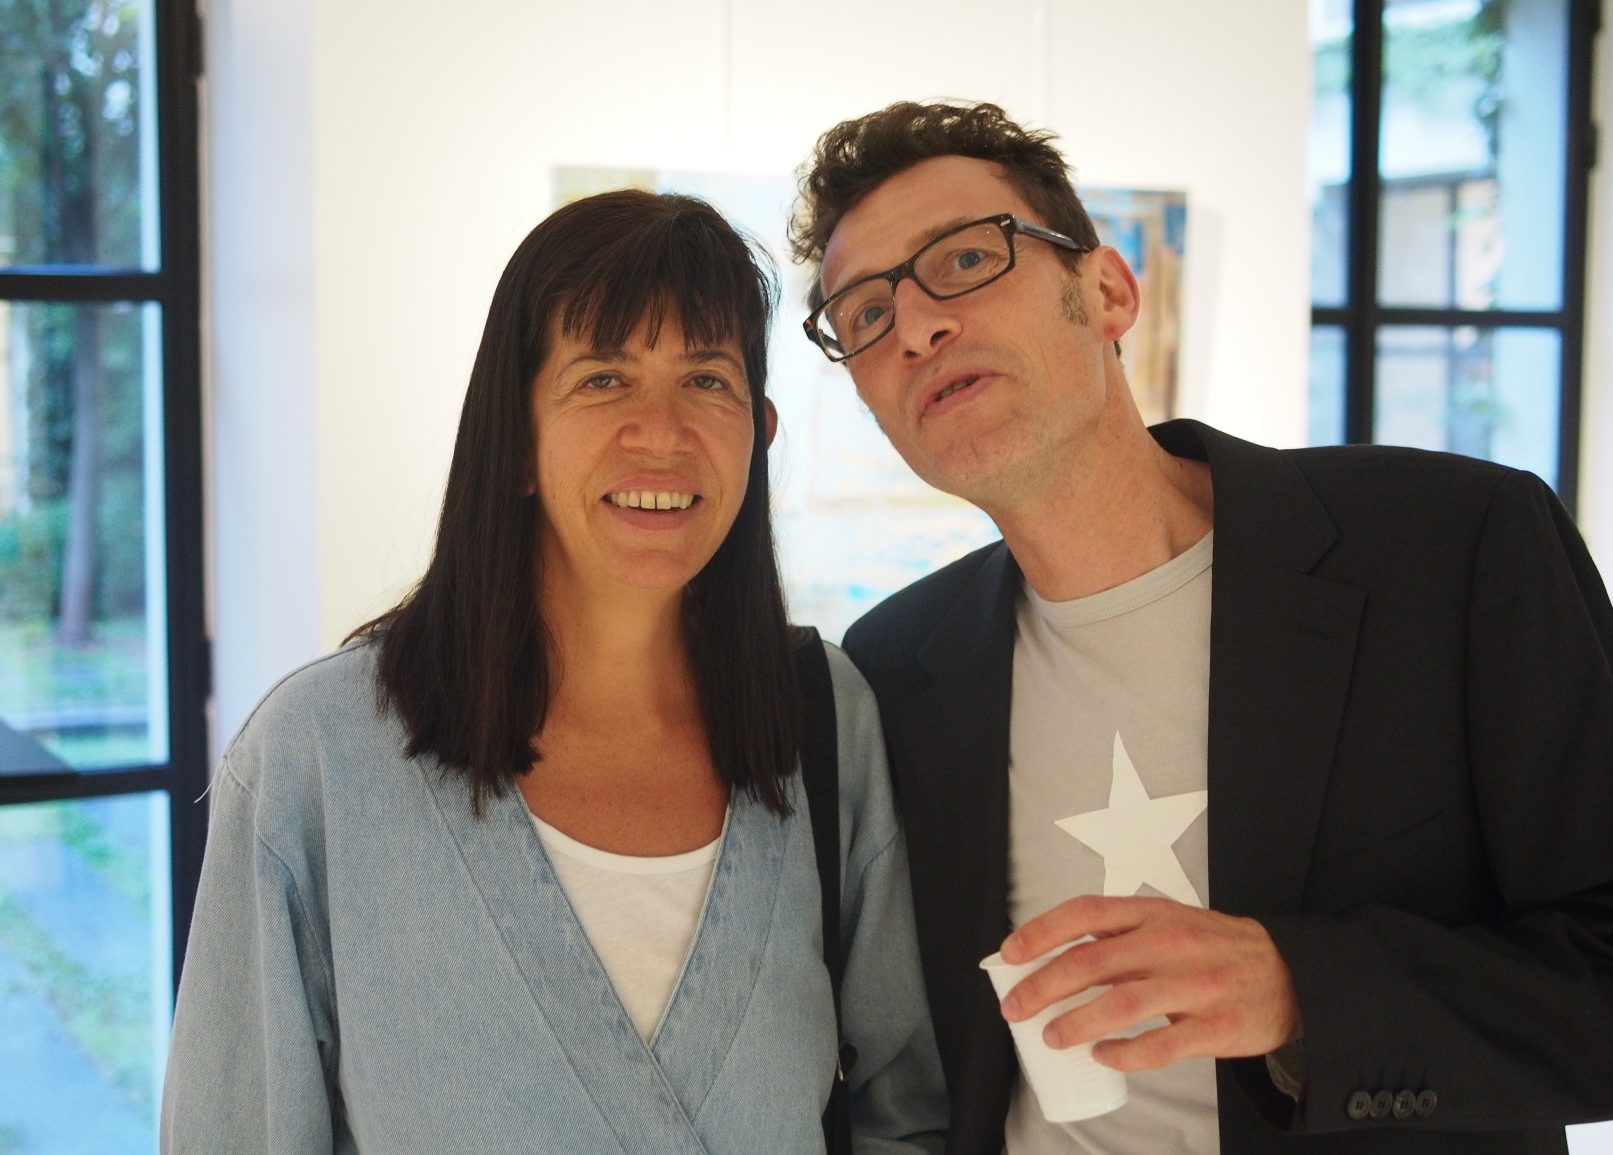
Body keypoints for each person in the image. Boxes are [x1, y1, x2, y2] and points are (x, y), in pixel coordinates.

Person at [788, 101, 1613, 1155]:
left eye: (962, 260)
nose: (913, 327)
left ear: (1107, 291)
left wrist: (1300, 991)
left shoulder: (1451, 546)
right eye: (863, 314)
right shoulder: (894, 666)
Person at [161, 190, 947, 1155]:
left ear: (760, 431)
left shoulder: (821, 717)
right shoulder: (317, 754)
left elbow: (905, 1114)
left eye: (707, 379)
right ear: (517, 439)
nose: (661, 432)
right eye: (603, 379)